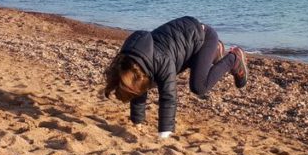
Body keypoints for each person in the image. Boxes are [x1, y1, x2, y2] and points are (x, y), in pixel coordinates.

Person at [103, 16, 248, 139]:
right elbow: (136, 90)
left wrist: (164, 134)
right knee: (144, 82)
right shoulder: (129, 62)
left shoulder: (161, 61)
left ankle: (234, 58)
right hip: (185, 44)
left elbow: (168, 97)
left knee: (199, 86)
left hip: (203, 37)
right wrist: (137, 122)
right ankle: (215, 51)